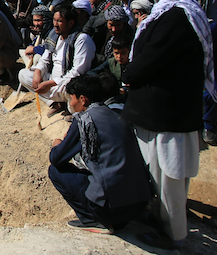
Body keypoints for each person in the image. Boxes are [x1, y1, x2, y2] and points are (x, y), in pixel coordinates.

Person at [122, 0, 213, 250]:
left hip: (168, 113)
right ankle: (161, 222)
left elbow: (152, 57)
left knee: (169, 179)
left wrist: (129, 75)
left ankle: (173, 234)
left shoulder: (177, 16)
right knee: (158, 175)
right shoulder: (175, 13)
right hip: (163, 111)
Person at [48, 75, 151, 234]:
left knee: (55, 171)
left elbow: (57, 159)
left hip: (112, 209)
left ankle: (92, 220)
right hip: (139, 204)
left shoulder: (84, 119)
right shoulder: (116, 114)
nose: (71, 103)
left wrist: (56, 145)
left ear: (83, 99)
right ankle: (114, 219)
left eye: (72, 98)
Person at [19, 3, 95, 119]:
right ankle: (56, 103)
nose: (55, 24)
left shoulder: (81, 39)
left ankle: (74, 111)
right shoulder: (56, 36)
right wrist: (38, 72)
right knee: (24, 74)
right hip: (53, 83)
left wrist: (50, 84)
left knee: (72, 88)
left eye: (59, 21)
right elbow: (45, 58)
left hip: (67, 83)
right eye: (54, 20)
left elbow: (77, 72)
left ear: (71, 23)